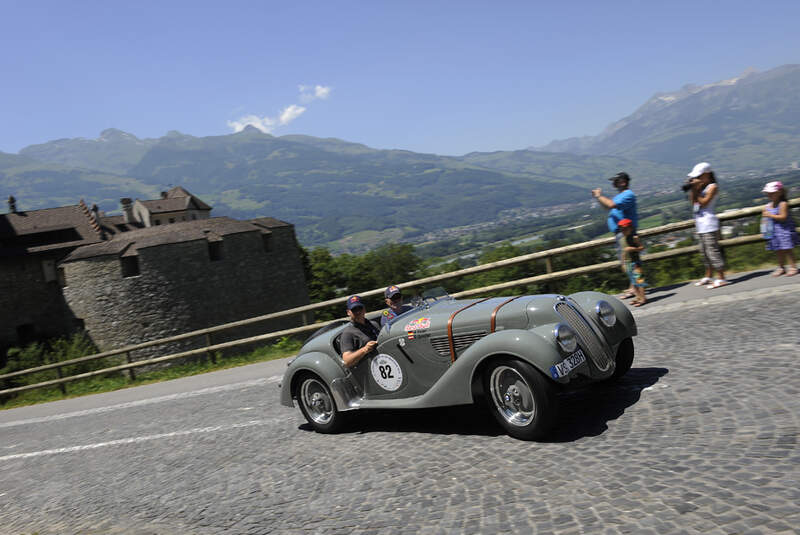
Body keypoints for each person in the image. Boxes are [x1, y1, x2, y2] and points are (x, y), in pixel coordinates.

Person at [592, 172, 638, 298]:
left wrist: (599, 195)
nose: (613, 184)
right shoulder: (620, 196)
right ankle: (633, 286)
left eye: (615, 181)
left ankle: (635, 288)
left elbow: (611, 205)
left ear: (623, 182)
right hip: (621, 233)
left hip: (626, 233)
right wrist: (598, 198)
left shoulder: (628, 195)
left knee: (628, 262)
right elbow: (607, 207)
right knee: (626, 262)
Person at [687, 162, 728, 289]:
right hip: (700, 225)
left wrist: (696, 189)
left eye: (699, 176)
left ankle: (721, 277)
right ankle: (709, 275)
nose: (697, 179)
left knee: (713, 252)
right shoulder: (700, 188)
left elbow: (704, 203)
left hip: (709, 224)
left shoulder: (712, 187)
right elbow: (693, 202)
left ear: (707, 174)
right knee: (704, 253)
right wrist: (694, 189)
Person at [761, 181, 799, 276]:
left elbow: (783, 217)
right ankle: (781, 267)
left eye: (772, 193)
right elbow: (765, 220)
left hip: (784, 231)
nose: (769, 195)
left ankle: (793, 266)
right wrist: (764, 231)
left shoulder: (783, 204)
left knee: (788, 249)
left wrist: (770, 215)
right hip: (774, 232)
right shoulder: (767, 206)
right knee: (778, 250)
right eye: (768, 193)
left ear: (779, 193)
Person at [340, 295, 380, 368]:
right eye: (354, 309)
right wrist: (365, 349)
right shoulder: (347, 333)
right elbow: (346, 361)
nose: (358, 312)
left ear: (364, 309)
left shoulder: (374, 324)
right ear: (348, 312)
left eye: (360, 308)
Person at [617, 218, 647, 307]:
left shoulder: (635, 238)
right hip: (628, 263)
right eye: (621, 229)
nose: (623, 231)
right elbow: (623, 252)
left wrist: (633, 249)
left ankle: (643, 298)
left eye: (625, 229)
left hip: (636, 262)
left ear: (631, 228)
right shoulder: (622, 239)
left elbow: (642, 248)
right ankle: (638, 297)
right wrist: (622, 263)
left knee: (639, 281)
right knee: (634, 282)